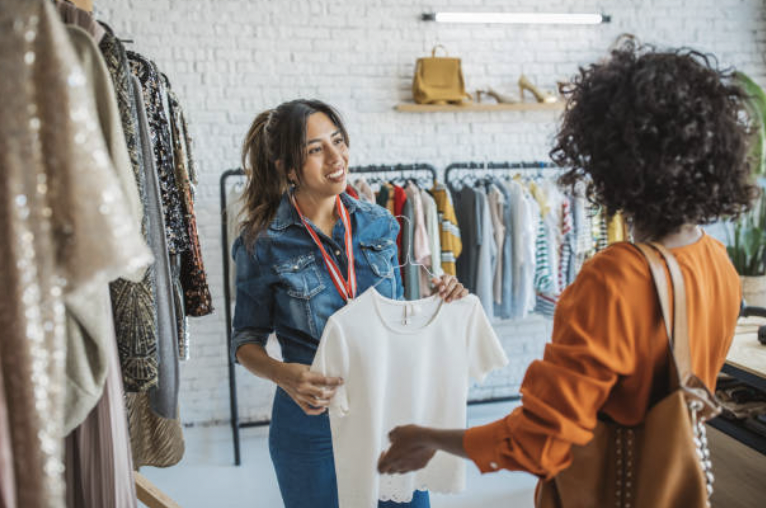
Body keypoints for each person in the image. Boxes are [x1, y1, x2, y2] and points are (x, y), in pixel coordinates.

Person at [377, 42, 758, 491]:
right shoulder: (718, 262)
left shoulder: (616, 277)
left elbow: (542, 442)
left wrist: (428, 438)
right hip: (673, 485)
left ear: (610, 156)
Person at [231, 99, 468, 508]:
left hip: (391, 413)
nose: (337, 157)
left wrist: (438, 296)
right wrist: (282, 374)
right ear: (288, 167)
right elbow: (244, 341)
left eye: (338, 141)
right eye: (315, 149)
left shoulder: (381, 222)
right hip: (313, 426)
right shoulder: (261, 244)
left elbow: (400, 313)